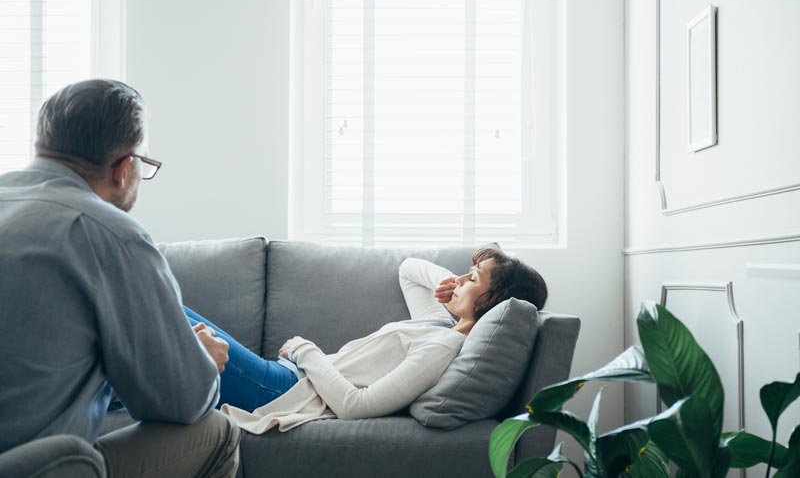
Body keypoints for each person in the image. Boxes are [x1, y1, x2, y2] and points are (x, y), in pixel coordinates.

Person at [0, 79, 241, 477]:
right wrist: (199, 360)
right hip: (41, 467)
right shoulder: (109, 234)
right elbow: (183, 403)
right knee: (216, 431)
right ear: (125, 168)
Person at [183, 247, 547, 434]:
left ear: (493, 302)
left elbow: (356, 406)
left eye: (474, 278)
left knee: (167, 317)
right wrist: (455, 281)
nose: (462, 278)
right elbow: (409, 269)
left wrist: (305, 350)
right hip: (285, 377)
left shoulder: (441, 349)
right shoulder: (439, 323)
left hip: (283, 392)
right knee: (166, 312)